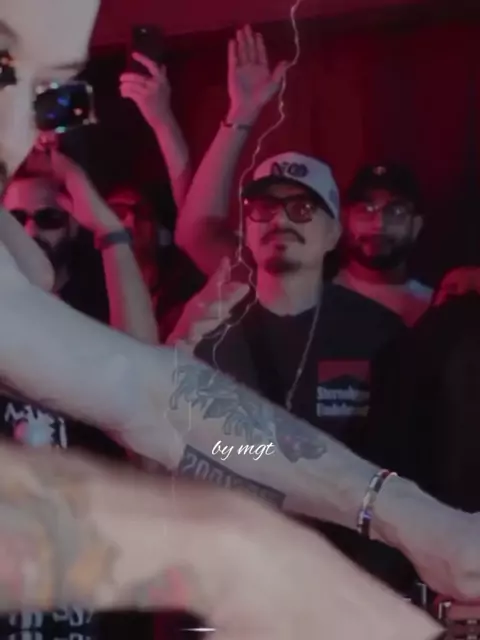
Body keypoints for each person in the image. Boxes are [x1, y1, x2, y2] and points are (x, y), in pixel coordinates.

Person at [0, 2, 476, 635]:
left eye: (50, 95)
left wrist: (411, 517)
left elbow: (145, 393)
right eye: (4, 70)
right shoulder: (218, 327)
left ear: (332, 232)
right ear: (244, 230)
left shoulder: (383, 332)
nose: (22, 131)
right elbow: (169, 430)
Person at [334, 163, 433, 326]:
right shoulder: (314, 298)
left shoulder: (433, 307)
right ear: (345, 220)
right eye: (366, 210)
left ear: (417, 225)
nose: (379, 224)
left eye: (395, 212)